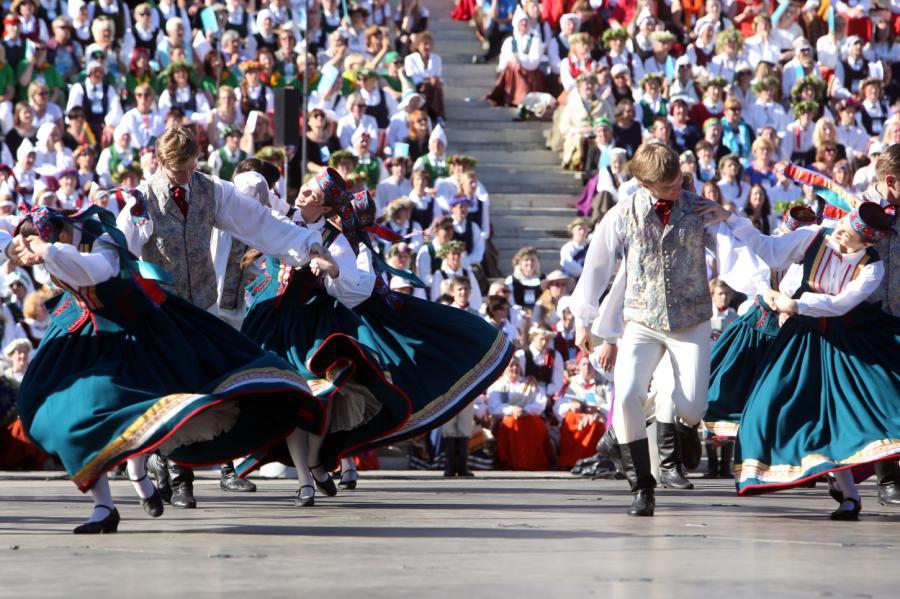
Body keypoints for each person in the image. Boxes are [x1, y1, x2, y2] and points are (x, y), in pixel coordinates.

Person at [9, 202, 325, 533]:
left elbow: (97, 271)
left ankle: (138, 472)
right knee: (57, 409)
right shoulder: (48, 247)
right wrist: (19, 247)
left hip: (135, 330)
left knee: (138, 402)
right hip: (82, 331)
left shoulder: (100, 240)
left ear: (60, 232)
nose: (37, 257)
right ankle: (104, 506)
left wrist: (49, 251)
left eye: (43, 246)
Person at [115, 127, 328, 508]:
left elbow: (260, 222)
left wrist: (309, 246)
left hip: (202, 306)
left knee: (203, 385)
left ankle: (187, 470)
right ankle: (172, 473)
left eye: (191, 166)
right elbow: (120, 253)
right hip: (162, 309)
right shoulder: (141, 201)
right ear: (160, 163)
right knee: (170, 388)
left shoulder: (210, 190)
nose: (186, 176)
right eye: (179, 171)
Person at [569, 142, 748, 516]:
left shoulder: (698, 208)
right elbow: (597, 266)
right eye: (667, 187)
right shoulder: (622, 213)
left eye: (679, 182)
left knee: (692, 405)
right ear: (642, 183)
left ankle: (665, 430)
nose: (676, 191)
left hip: (691, 321)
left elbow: (736, 252)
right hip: (641, 321)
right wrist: (583, 320)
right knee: (628, 393)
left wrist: (728, 217)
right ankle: (642, 487)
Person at [714, 194, 897, 520]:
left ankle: (850, 496)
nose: (839, 232)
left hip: (847, 341)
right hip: (803, 338)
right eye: (841, 225)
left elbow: (841, 304)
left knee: (851, 412)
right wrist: (729, 218)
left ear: (865, 242)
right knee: (777, 405)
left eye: (847, 233)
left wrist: (796, 304)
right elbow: (768, 248)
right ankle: (842, 489)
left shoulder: (873, 268)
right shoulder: (814, 235)